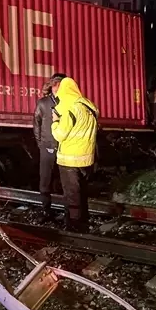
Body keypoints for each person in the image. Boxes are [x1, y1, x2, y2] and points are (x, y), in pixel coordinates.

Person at [50, 77, 99, 232]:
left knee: (72, 195)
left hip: (69, 160)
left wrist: (55, 122)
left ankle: (75, 227)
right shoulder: (89, 106)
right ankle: (83, 220)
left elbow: (59, 135)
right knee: (82, 193)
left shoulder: (69, 107)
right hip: (86, 159)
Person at [32, 72, 68, 219]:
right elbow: (36, 125)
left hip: (64, 147)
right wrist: (41, 144)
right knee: (45, 180)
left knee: (66, 182)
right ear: (52, 86)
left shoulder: (68, 102)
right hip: (48, 146)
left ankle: (68, 211)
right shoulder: (43, 103)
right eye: (55, 84)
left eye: (60, 84)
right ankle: (46, 209)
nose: (57, 87)